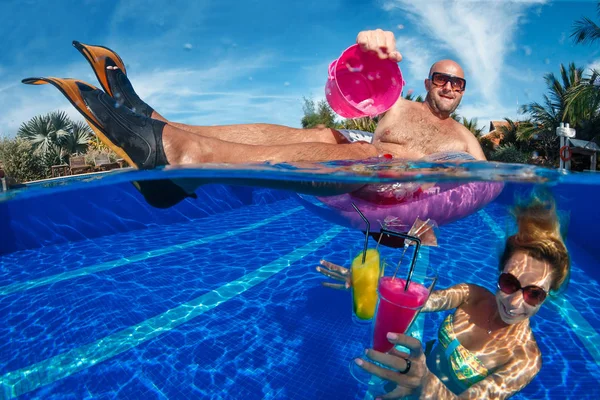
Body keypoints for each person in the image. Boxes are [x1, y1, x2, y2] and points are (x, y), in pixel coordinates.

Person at [23, 30, 485, 207]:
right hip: (358, 166)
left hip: (392, 188)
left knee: (373, 150)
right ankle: (161, 127)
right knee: (325, 131)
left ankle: (186, 157)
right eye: (441, 78)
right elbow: (349, 100)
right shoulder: (400, 107)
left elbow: (489, 186)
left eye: (458, 83)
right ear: (426, 81)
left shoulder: (465, 138)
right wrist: (365, 52)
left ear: (463, 92)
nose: (449, 86)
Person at [317, 192, 570, 399]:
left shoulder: (525, 357)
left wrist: (425, 384)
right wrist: (367, 282)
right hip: (409, 374)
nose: (515, 302)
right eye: (509, 282)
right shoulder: (471, 295)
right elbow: (419, 302)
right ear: (500, 273)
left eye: (534, 294)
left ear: (549, 295)